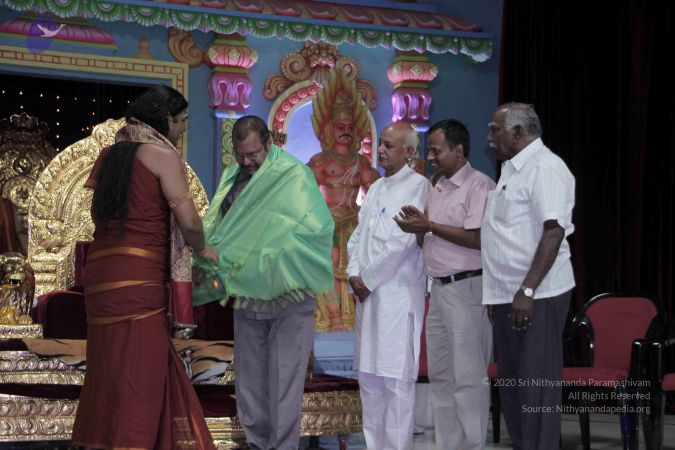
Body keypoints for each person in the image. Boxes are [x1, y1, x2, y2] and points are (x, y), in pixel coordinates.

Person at [71, 85, 218, 449]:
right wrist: (203, 249)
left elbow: (98, 217)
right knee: (142, 374)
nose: (183, 128)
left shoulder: (109, 156)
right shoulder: (162, 155)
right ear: (166, 119)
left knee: (109, 371)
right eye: (182, 120)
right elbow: (190, 222)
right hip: (138, 278)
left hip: (100, 278)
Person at [192, 115, 334, 450]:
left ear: (269, 144)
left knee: (284, 384)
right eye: (240, 155)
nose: (246, 162)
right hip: (248, 296)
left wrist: (267, 254)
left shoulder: (293, 175)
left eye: (253, 154)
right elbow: (220, 227)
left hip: (289, 297)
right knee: (250, 384)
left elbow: (316, 229)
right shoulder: (232, 177)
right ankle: (257, 444)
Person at [395, 119, 495, 450]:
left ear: (459, 150)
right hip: (437, 290)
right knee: (441, 376)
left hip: (467, 288)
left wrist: (430, 226)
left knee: (468, 376)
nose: (431, 156)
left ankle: (474, 444)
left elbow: (478, 239)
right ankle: (448, 444)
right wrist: (418, 228)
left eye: (436, 150)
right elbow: (430, 238)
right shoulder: (437, 186)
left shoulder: (480, 186)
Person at [482, 102, 575, 450]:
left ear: (518, 133)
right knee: (514, 388)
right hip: (509, 295)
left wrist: (528, 290)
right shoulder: (512, 169)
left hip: (538, 295)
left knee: (536, 389)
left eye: (495, 130)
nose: (489, 138)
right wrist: (498, 295)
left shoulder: (545, 168)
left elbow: (554, 230)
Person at [347, 122, 430, 449]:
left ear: (408, 152)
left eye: (389, 145)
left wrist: (366, 280)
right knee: (369, 381)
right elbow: (357, 236)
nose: (380, 150)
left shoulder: (418, 185)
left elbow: (403, 243)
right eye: (380, 143)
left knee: (396, 383)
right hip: (367, 300)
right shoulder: (377, 187)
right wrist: (354, 275)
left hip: (396, 297)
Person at [308, 67, 379, 331]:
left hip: (352, 223)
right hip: (325, 224)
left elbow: (377, 191)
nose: (346, 132)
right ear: (329, 129)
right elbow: (302, 192)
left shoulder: (361, 162)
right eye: (340, 127)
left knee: (352, 267)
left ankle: (351, 318)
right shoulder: (320, 161)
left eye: (350, 128)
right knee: (327, 266)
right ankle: (333, 316)